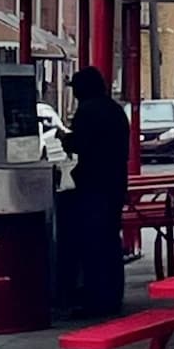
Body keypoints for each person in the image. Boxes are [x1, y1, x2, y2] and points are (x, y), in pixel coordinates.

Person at [59, 66, 129, 316]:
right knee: (110, 240)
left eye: (76, 88)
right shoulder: (115, 110)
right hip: (115, 184)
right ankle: (112, 295)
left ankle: (96, 298)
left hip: (94, 185)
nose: (75, 94)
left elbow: (81, 143)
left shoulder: (87, 111)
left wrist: (65, 138)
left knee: (92, 243)